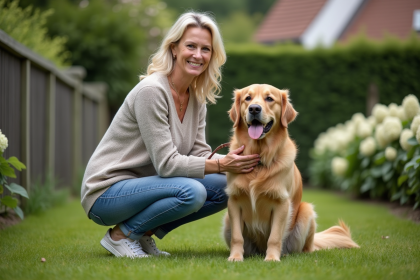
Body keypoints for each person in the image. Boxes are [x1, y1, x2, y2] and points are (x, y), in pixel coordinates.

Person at [81, 12, 260, 258]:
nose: (198, 55)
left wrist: (235, 160)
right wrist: (220, 164)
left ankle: (142, 234)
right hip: (107, 193)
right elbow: (167, 165)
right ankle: (120, 236)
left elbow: (197, 153)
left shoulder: (196, 98)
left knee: (224, 186)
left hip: (147, 187)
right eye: (191, 46)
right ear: (174, 49)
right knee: (193, 192)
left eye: (205, 49)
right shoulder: (152, 92)